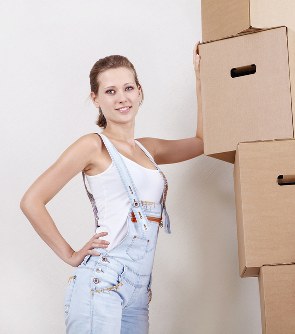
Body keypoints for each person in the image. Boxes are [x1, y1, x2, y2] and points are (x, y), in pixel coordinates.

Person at [20, 44, 203, 333]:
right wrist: (70, 254)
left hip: (139, 293)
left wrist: (200, 77)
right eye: (110, 91)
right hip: (102, 283)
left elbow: (202, 142)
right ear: (95, 99)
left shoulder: (149, 148)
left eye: (128, 88)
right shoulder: (92, 146)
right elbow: (32, 200)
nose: (122, 98)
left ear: (140, 91)